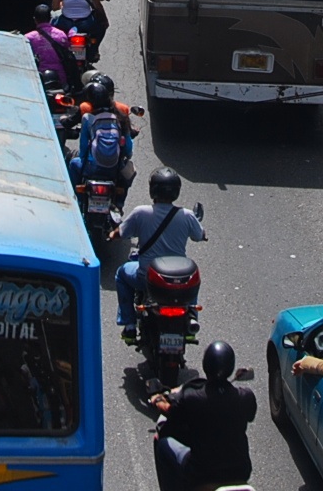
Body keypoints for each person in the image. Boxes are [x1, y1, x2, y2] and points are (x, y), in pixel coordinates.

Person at [151, 340, 254, 491]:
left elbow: (169, 410)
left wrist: (157, 399)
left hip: (201, 475)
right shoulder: (246, 397)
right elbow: (249, 415)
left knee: (162, 444)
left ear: (206, 365)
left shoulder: (192, 398)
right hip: (240, 472)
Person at [112, 167, 206, 327]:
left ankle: (129, 324)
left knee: (121, 274)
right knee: (193, 279)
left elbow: (120, 233)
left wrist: (111, 234)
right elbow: (200, 236)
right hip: (179, 281)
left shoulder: (140, 213)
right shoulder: (187, 215)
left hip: (146, 279)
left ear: (152, 190)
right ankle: (191, 315)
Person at [25, 3, 76, 89]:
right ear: (50, 19)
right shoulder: (61, 34)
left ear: (35, 19)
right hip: (61, 80)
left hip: (39, 81)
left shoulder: (27, 38)